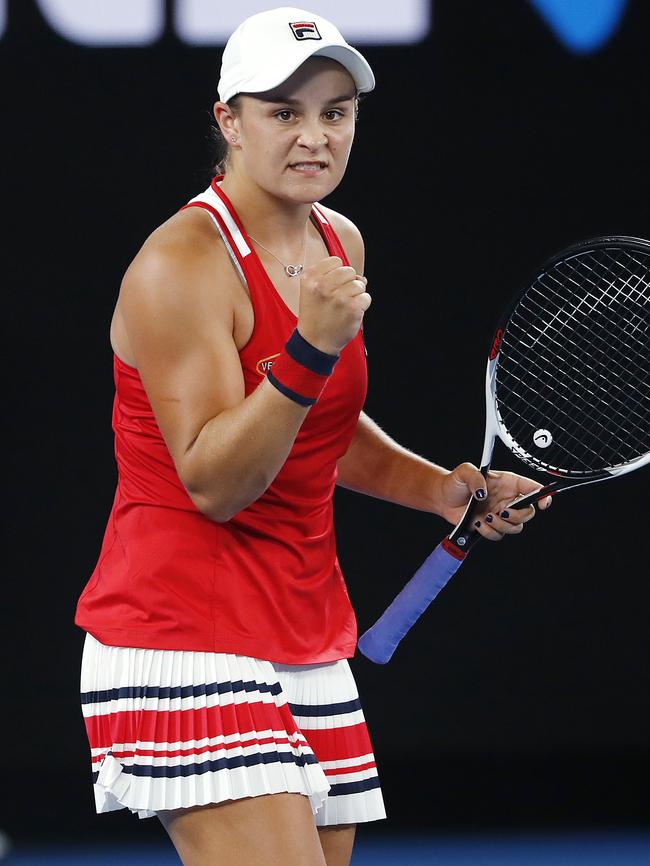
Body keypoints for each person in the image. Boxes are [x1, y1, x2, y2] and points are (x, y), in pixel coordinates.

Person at [74, 7, 551, 865]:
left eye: (335, 112)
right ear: (229, 121)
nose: (314, 137)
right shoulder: (179, 263)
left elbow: (321, 425)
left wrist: (441, 489)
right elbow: (215, 481)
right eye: (284, 112)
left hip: (304, 630)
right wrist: (311, 345)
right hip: (184, 630)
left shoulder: (337, 239)